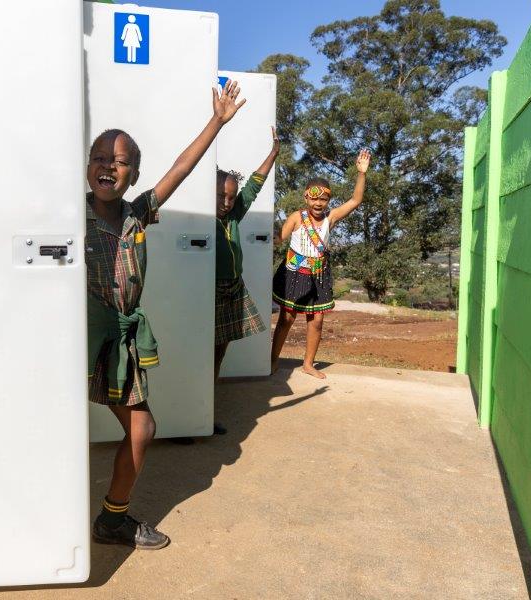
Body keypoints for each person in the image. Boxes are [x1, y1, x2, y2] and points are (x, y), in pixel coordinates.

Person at [86, 80, 246, 549]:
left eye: (120, 161)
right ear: (87, 166)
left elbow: (181, 167)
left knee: (142, 426)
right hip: (75, 338)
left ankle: (113, 518)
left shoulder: (138, 214)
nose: (108, 166)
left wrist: (217, 121)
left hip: (117, 341)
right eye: (100, 157)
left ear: (134, 175)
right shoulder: (68, 216)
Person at [270, 149, 372, 379]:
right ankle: (272, 360)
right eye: (314, 198)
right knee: (286, 319)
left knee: (316, 322)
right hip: (295, 274)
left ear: (328, 201)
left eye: (323, 199)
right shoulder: (296, 217)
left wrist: (361, 173)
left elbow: (356, 200)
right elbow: (279, 238)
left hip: (318, 275)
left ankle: (308, 364)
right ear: (306, 198)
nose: (318, 203)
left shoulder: (330, 218)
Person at [213, 127, 279, 430]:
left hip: (233, 289)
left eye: (230, 197)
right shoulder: (201, 220)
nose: (227, 202)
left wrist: (273, 154)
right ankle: (196, 410)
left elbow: (253, 186)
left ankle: (207, 405)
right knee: (205, 352)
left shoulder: (233, 216)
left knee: (220, 350)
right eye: (220, 196)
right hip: (210, 293)